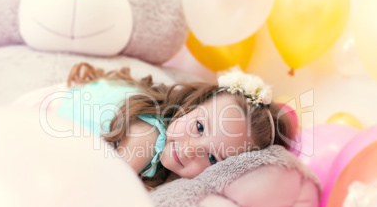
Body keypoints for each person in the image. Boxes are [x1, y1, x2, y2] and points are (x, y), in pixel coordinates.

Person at [57, 63, 295, 189]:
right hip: (73, 112)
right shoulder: (146, 137)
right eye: (199, 128)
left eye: (212, 158)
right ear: (191, 105)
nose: (191, 150)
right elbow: (105, 189)